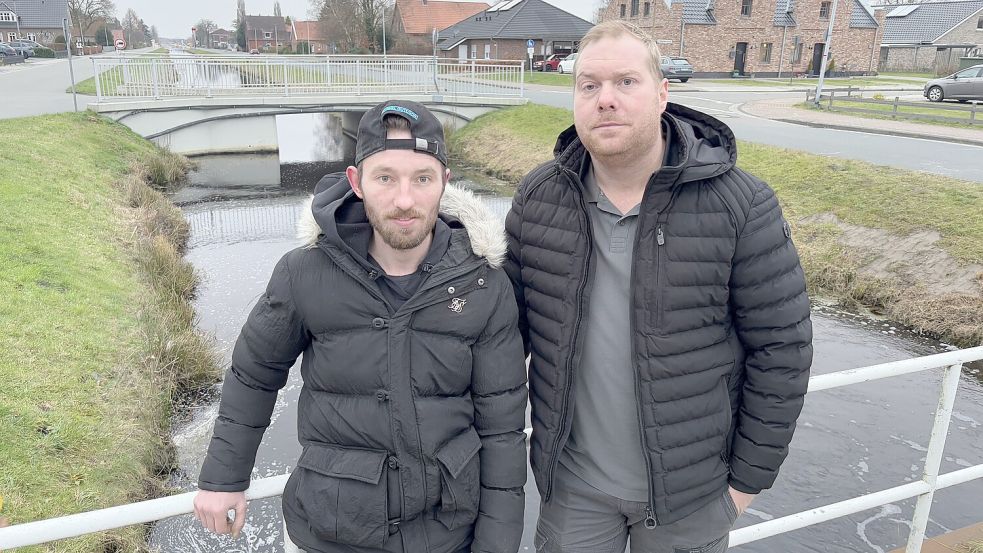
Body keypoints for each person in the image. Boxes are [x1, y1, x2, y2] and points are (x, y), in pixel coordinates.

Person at [504, 21, 814, 553]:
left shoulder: (741, 205)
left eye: (626, 82)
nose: (606, 100)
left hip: (690, 497)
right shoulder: (540, 198)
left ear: (663, 92)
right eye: (589, 85)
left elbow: (782, 350)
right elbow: (503, 333)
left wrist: (745, 484)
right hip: (574, 490)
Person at [194, 100, 528, 553]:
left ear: (444, 183)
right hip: (334, 532)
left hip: (448, 534)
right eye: (385, 178)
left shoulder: (484, 283)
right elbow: (254, 374)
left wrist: (497, 544)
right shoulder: (303, 273)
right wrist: (223, 478)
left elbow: (502, 429)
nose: (404, 200)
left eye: (422, 179)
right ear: (357, 182)